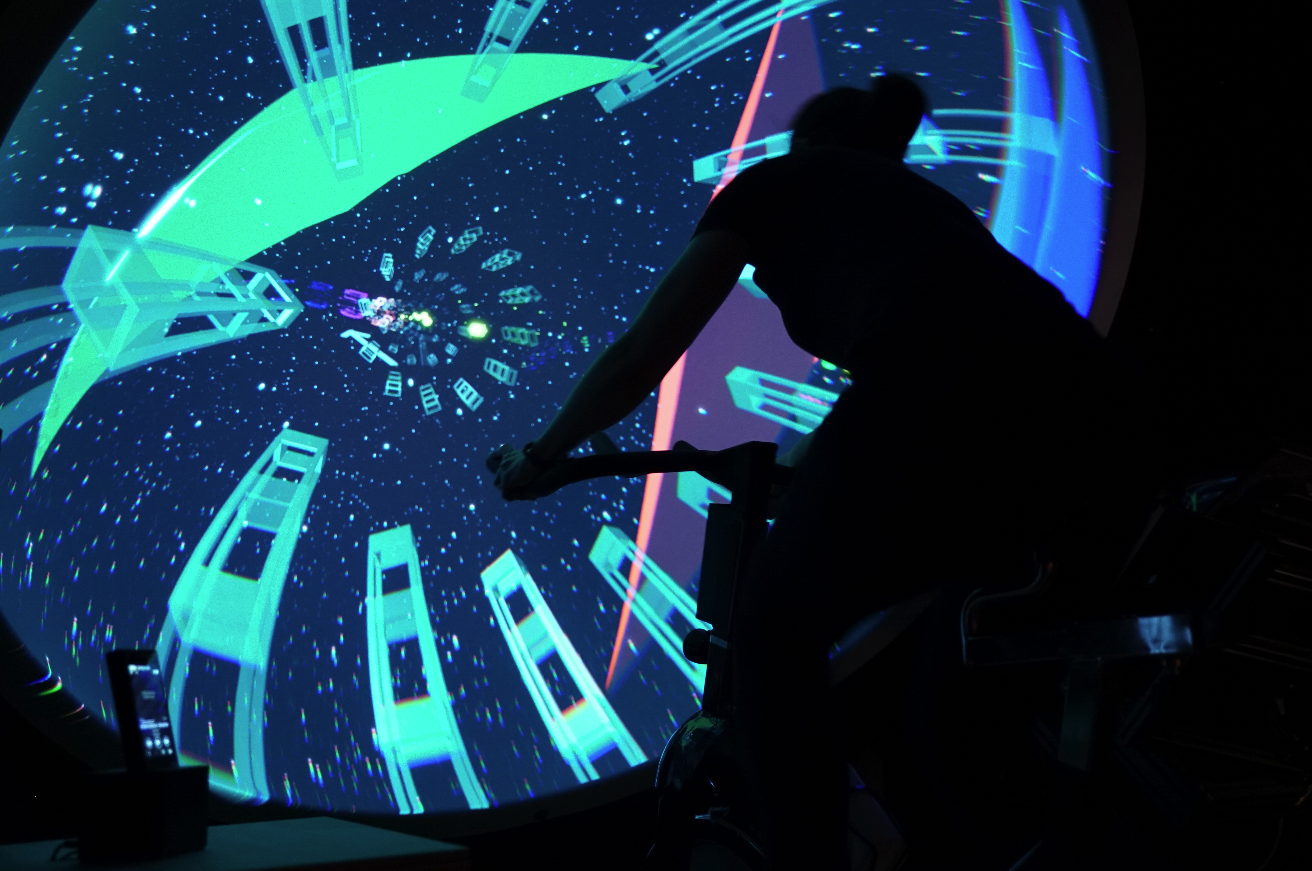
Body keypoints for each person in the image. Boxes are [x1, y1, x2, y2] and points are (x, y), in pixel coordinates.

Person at [491, 76, 1162, 870]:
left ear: (804, 145)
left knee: (772, 638)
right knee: (958, 719)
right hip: (1099, 412)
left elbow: (644, 351)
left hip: (949, 391)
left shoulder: (776, 183)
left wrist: (543, 454)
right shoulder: (911, 203)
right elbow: (909, 376)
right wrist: (805, 470)